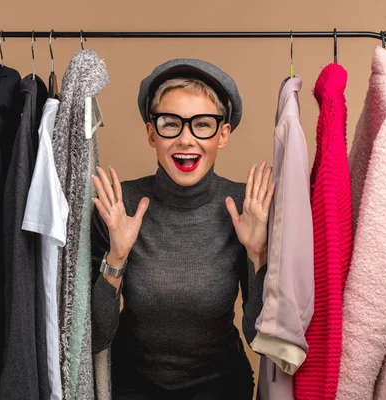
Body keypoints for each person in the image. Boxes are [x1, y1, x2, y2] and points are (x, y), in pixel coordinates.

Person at [90, 58, 274, 400]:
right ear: (151, 133)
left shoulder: (246, 207)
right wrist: (117, 256)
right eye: (170, 123)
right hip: (133, 385)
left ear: (223, 134)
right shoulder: (119, 204)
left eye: (202, 125)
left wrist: (257, 254)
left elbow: (258, 339)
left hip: (222, 386)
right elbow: (96, 337)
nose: (185, 139)